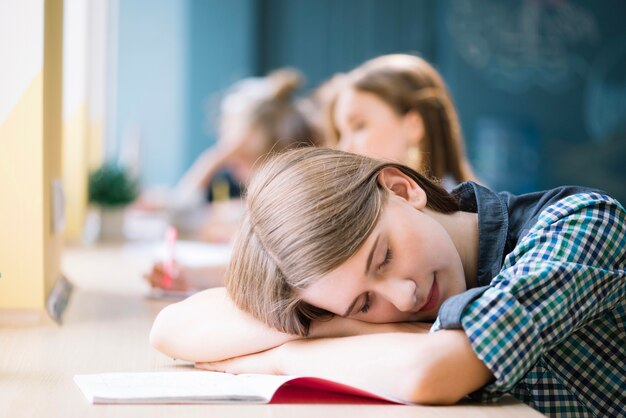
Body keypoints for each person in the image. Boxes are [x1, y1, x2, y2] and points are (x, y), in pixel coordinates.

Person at [151, 147, 625, 416]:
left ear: (403, 189)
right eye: (362, 304)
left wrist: (286, 358)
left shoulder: (580, 223)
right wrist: (329, 323)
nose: (404, 296)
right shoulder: (401, 300)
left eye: (384, 257)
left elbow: (431, 374)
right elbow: (173, 327)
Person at [144, 69, 320, 292]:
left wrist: (214, 158)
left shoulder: (288, 202)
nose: (231, 162)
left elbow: (179, 214)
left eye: (238, 155)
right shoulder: (256, 203)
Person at [327, 54, 478, 188]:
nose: (344, 148)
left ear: (414, 126)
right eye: (340, 133)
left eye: (359, 126)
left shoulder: (470, 215)